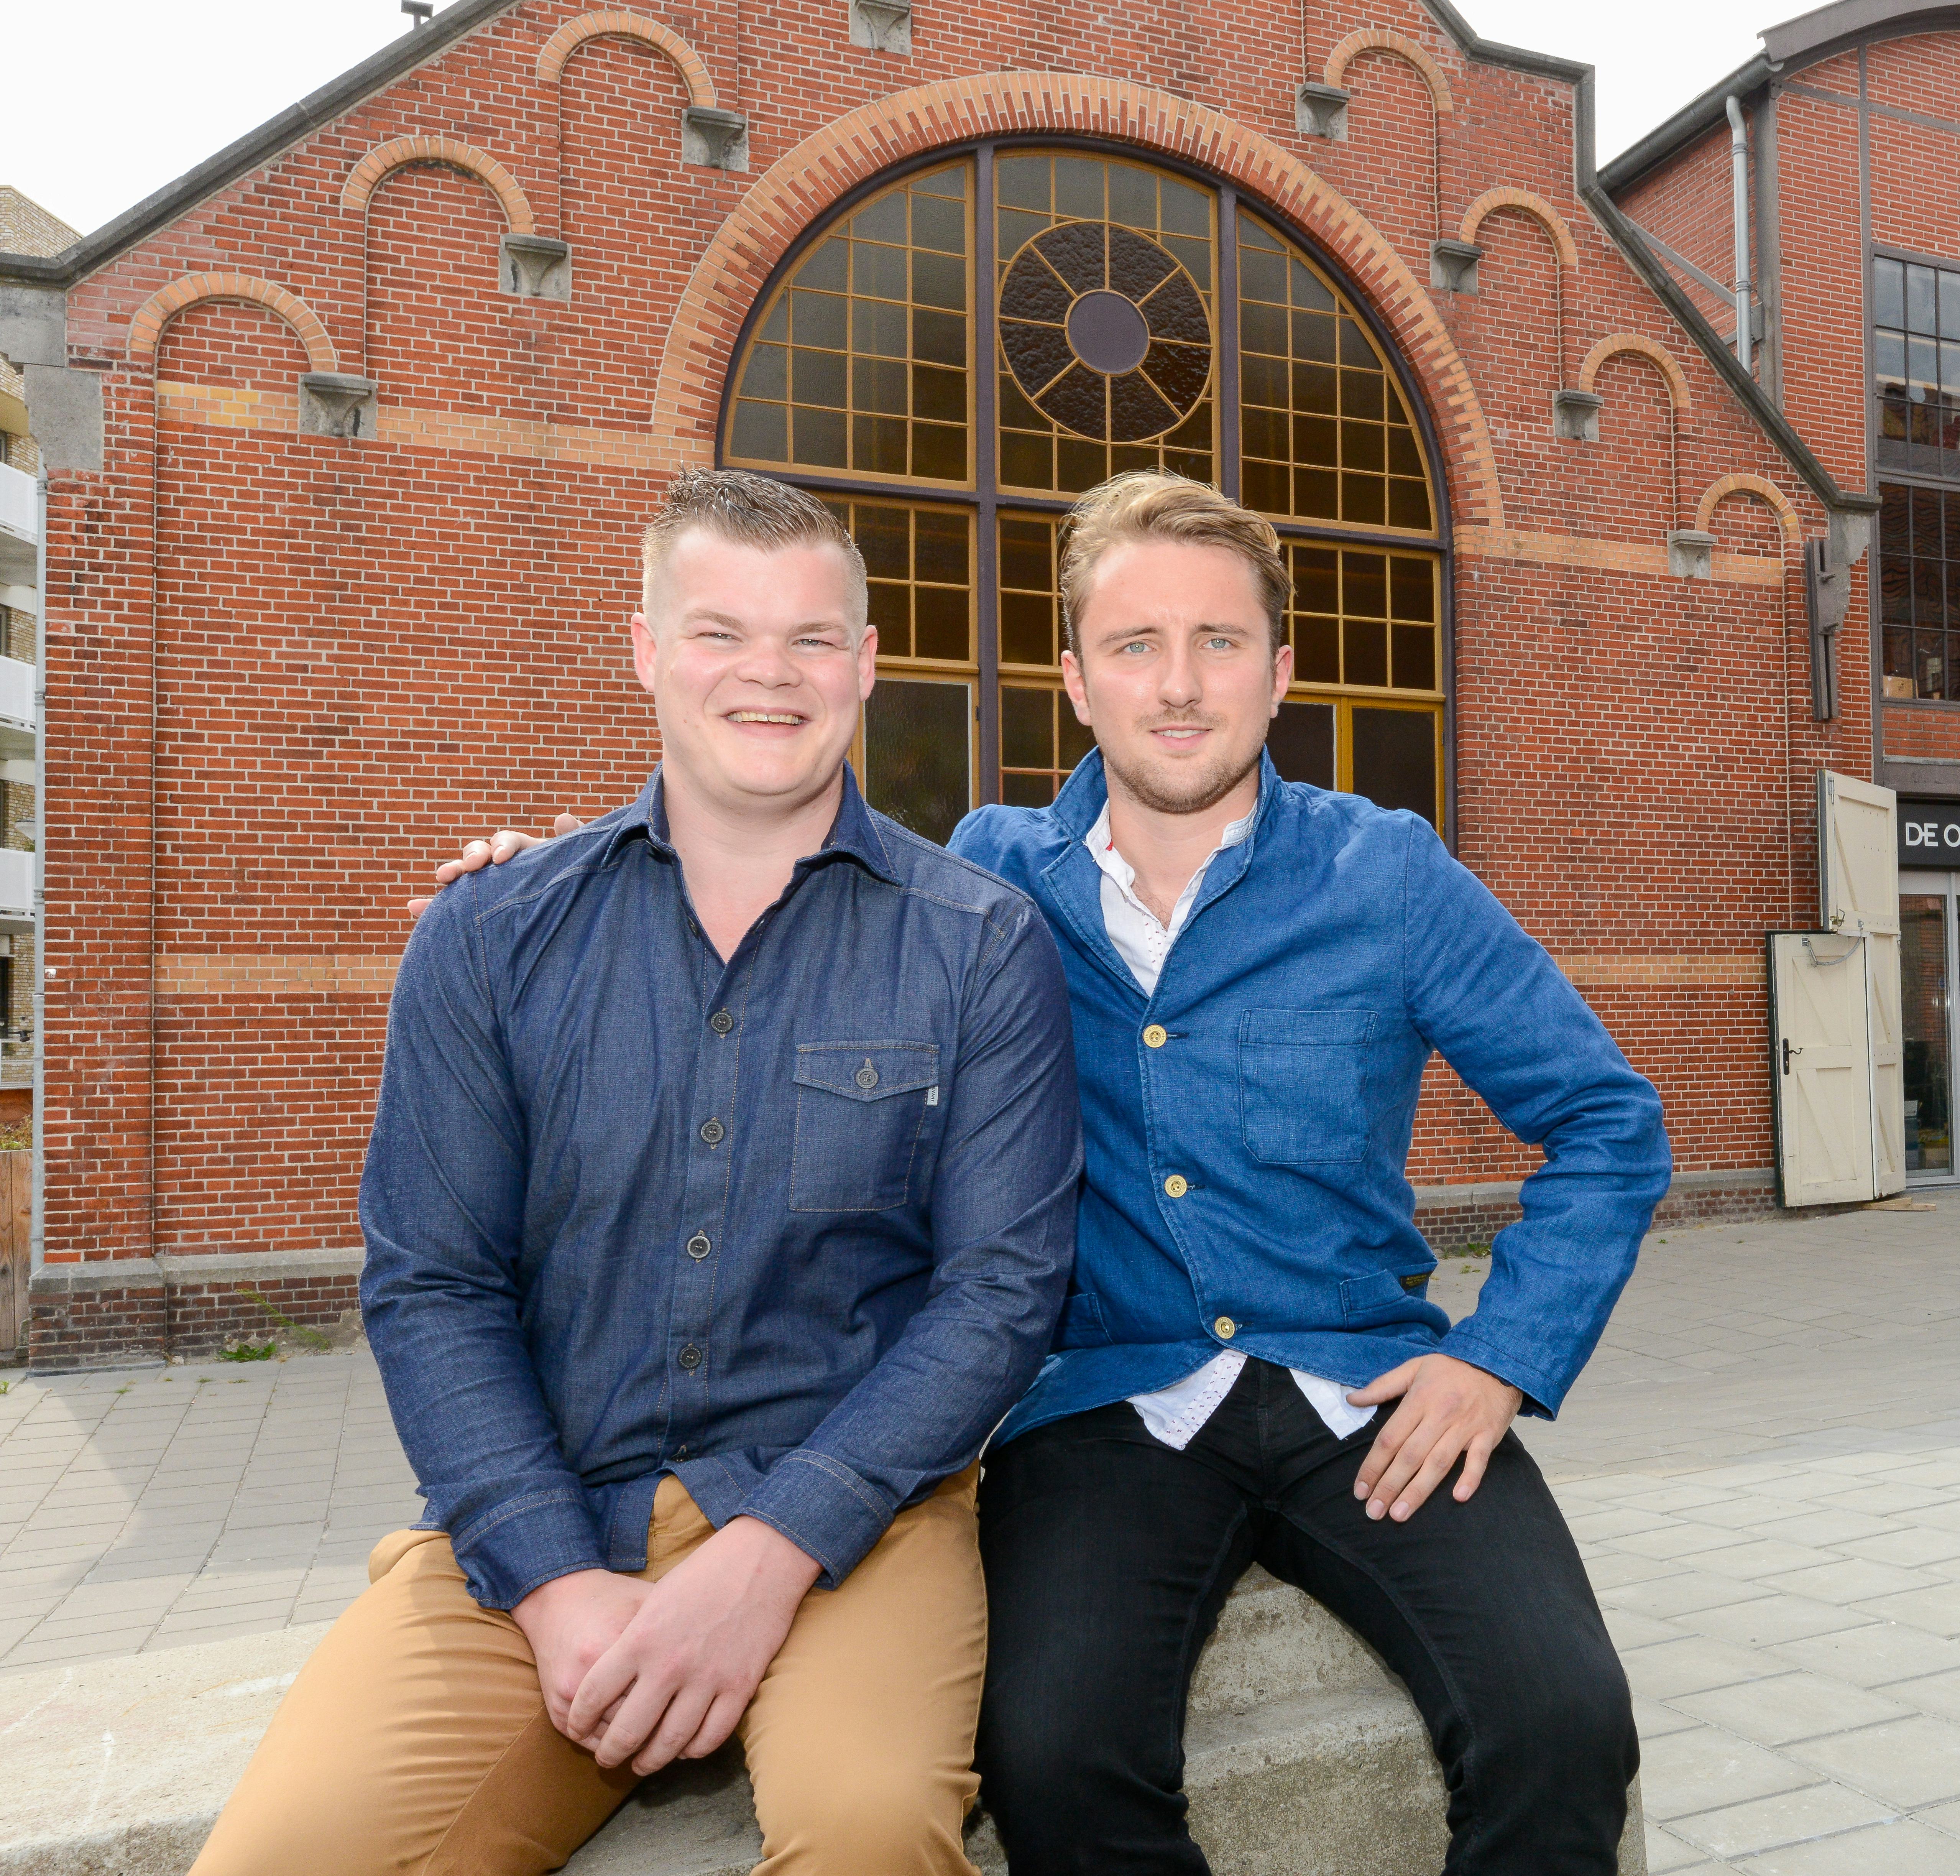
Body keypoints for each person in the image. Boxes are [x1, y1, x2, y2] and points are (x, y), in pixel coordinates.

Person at [430, 469, 1669, 1875]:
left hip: (1366, 1386)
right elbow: (777, 877)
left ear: (1280, 671)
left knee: (1566, 1723)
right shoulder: (991, 876)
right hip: (1098, 1402)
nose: (1180, 687)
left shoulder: (1388, 875)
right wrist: (567, 877)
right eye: (1135, 646)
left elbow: (1608, 1124)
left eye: (1219, 644)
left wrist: (1496, 1357)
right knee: (1055, 1757)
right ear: (1074, 680)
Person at [200, 469, 1081, 1876]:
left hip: (857, 1512)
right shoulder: (491, 935)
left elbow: (1002, 1292)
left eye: (808, 639)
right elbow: (433, 1284)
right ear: (647, 650)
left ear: (863, 665)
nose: (767, 677)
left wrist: (772, 1549)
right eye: (721, 631)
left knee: (866, 1835)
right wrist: (552, 1582)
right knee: (279, 1859)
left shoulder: (979, 944)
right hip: (544, 1505)